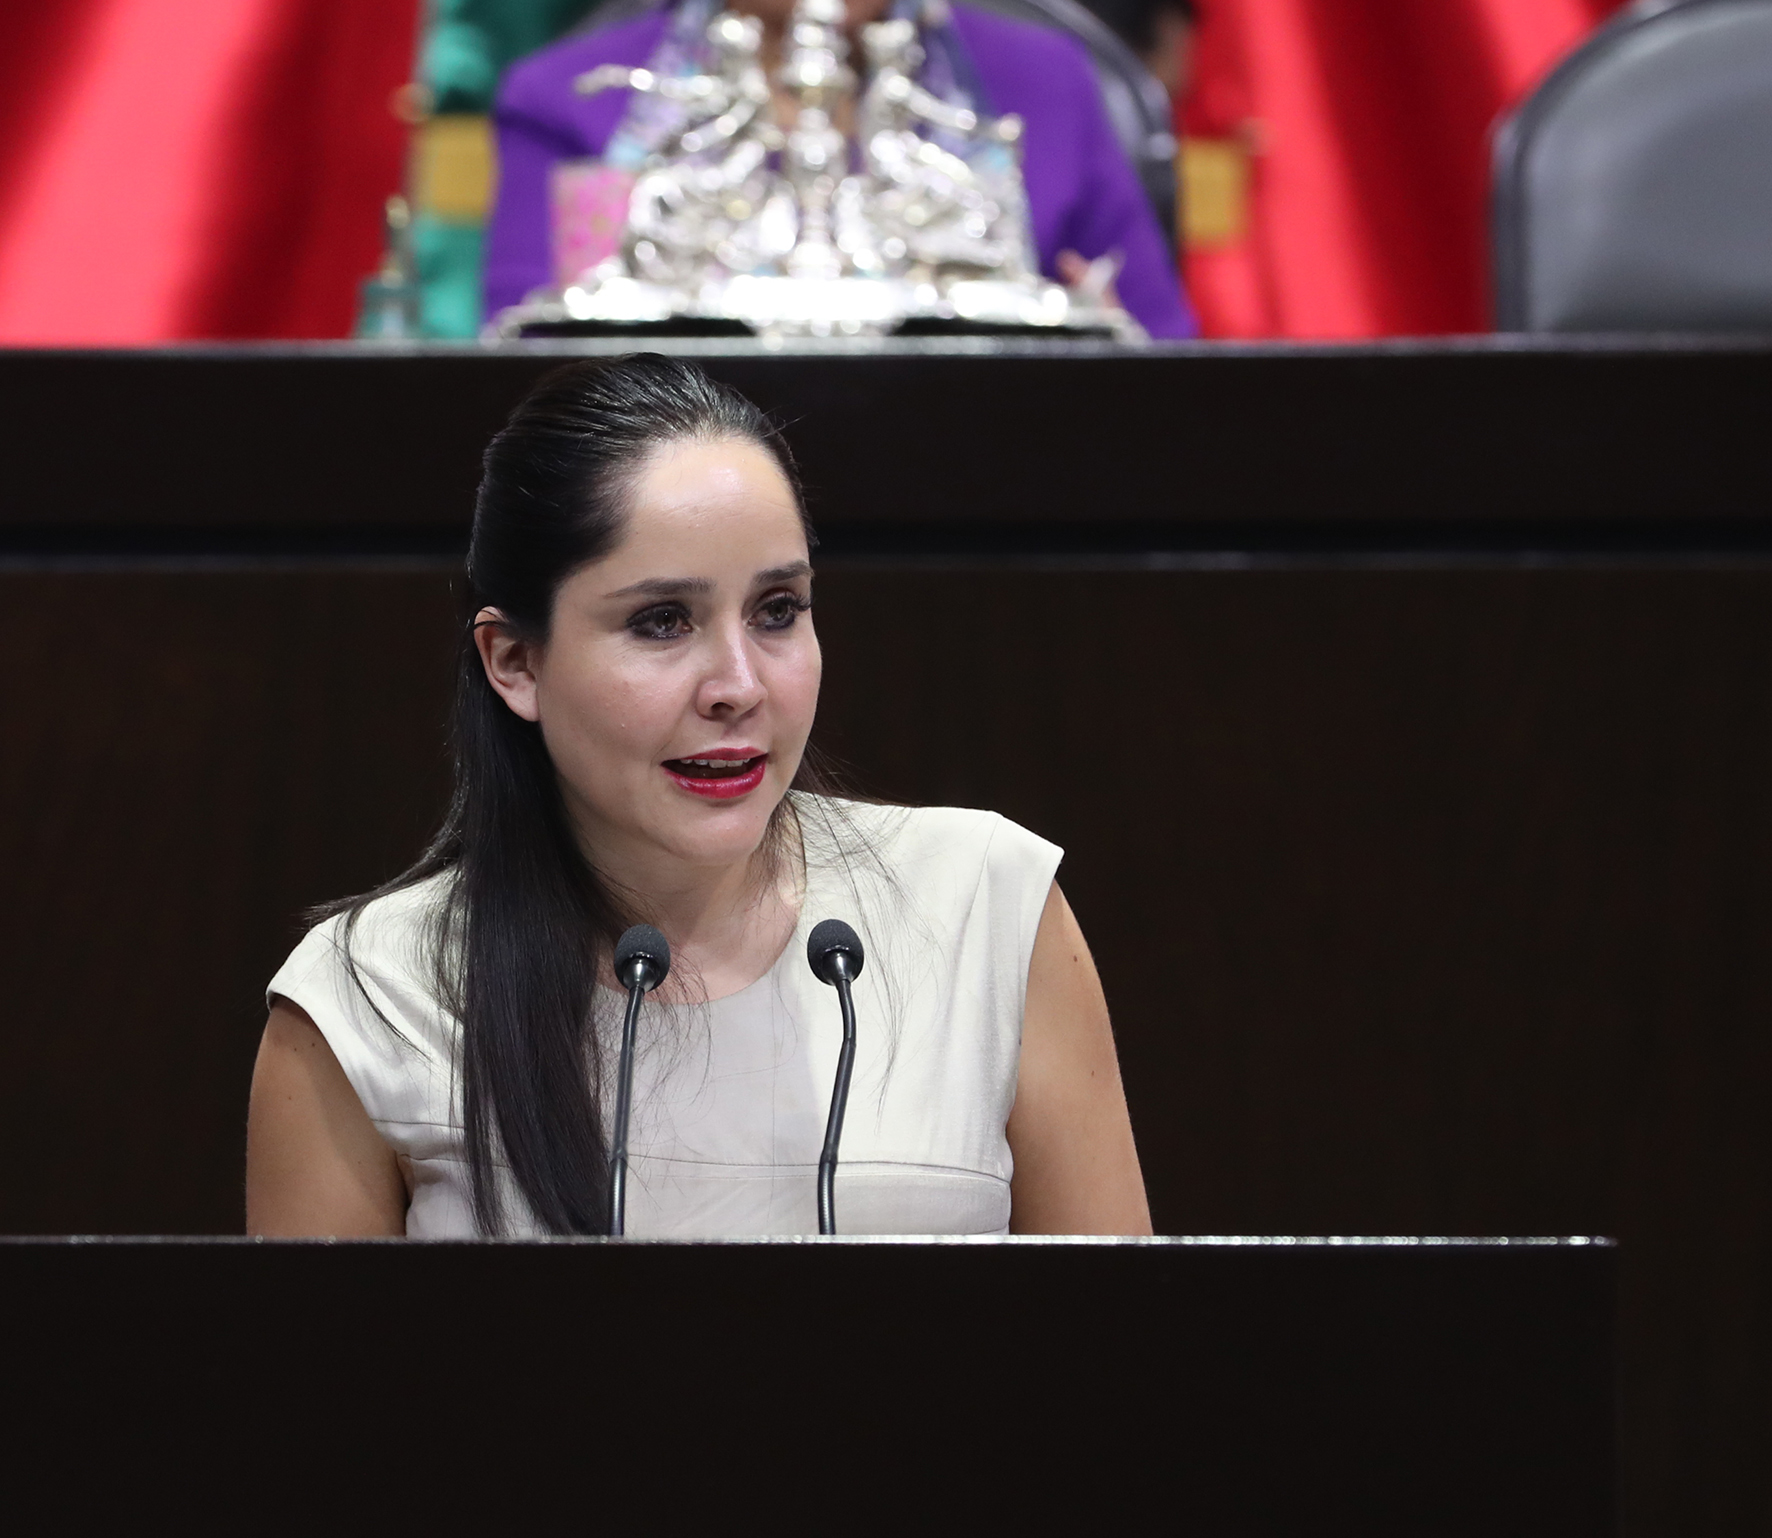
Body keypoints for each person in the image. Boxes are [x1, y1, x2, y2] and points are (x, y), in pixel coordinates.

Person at [248, 354, 1150, 1239]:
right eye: (661, 622)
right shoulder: (369, 995)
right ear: (515, 662)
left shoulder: (984, 907)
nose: (738, 686)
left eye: (777, 610)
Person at [483, 0, 1198, 337]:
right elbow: (519, 371)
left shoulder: (1045, 84)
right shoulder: (573, 101)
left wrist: (1092, 340)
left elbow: (1163, 362)